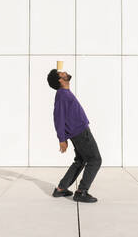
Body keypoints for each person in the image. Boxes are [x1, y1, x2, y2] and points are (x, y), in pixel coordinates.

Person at [47, 68, 102, 203]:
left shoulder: (64, 93)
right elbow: (58, 118)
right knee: (95, 160)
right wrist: (62, 139)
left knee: (81, 160)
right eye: (61, 73)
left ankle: (61, 188)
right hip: (80, 132)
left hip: (79, 131)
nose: (65, 72)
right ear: (60, 80)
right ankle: (81, 192)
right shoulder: (62, 95)